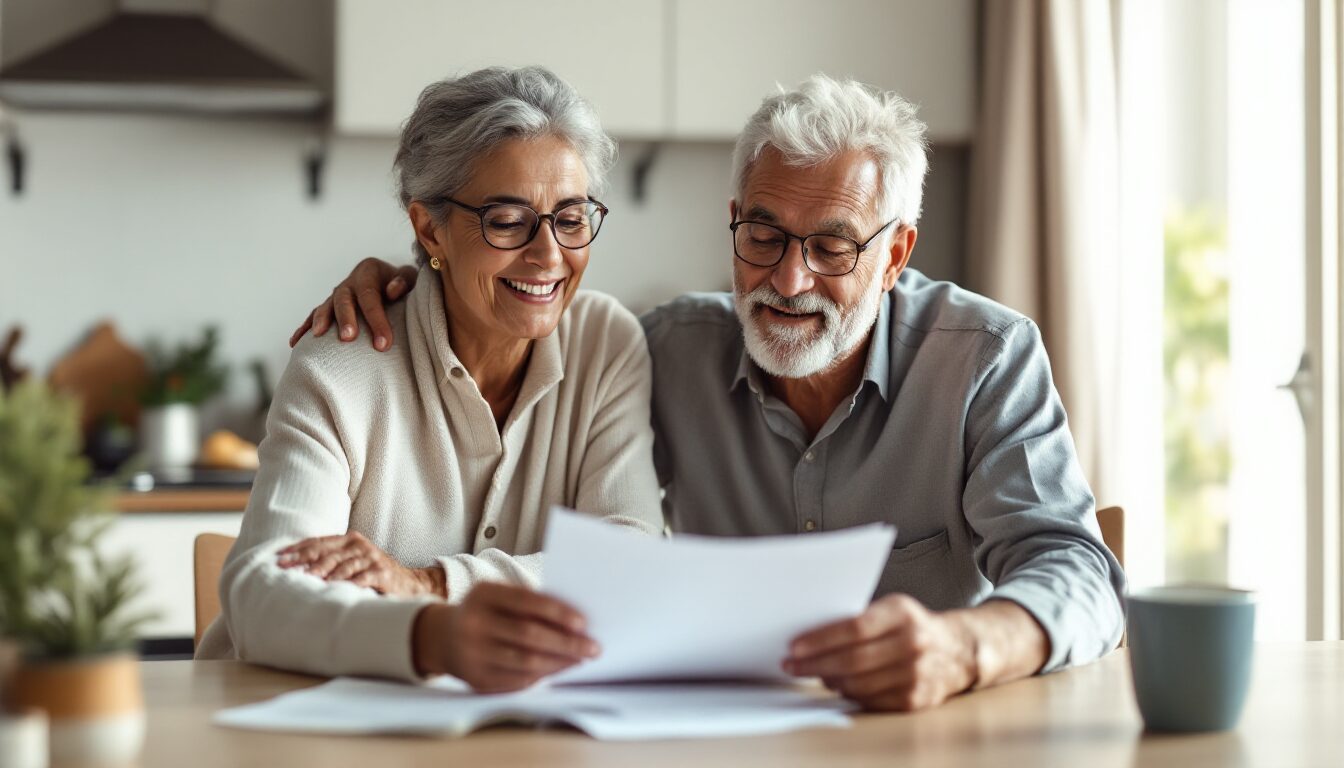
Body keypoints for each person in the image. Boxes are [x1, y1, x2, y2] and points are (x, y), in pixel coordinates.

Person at [293, 75, 1126, 712]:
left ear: (897, 252)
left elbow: (1082, 574)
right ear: (735, 219)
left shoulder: (984, 359)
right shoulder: (662, 353)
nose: (788, 278)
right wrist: (412, 284)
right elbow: (515, 306)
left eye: (833, 247)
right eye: (763, 233)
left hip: (931, 741)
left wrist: (965, 645)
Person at [196, 66, 664, 693]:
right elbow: (260, 598)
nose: (549, 254)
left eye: (571, 217)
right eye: (507, 220)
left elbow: (632, 566)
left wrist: (430, 586)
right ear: (428, 228)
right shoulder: (342, 363)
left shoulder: (606, 343)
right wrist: (432, 635)